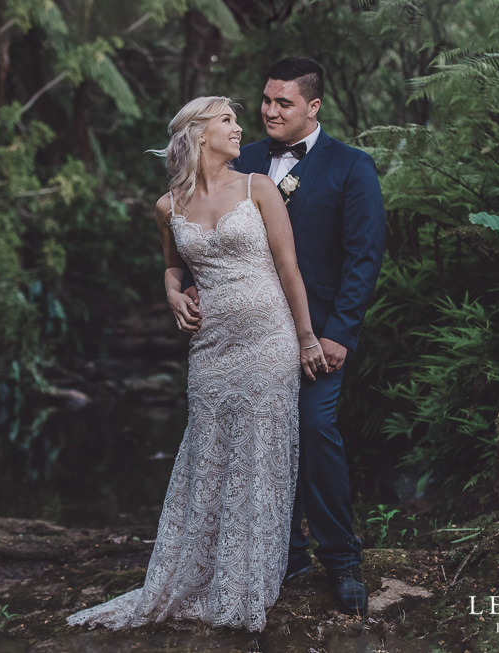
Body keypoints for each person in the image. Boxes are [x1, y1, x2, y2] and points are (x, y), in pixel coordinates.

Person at [67, 96, 326, 632]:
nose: (239, 128)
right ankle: (197, 574)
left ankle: (247, 581)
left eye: (235, 119)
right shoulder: (168, 206)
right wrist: (172, 296)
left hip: (268, 342)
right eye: (227, 120)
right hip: (210, 351)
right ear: (199, 134)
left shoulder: (260, 189)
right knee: (207, 456)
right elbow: (171, 268)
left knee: (260, 457)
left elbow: (290, 268)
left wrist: (306, 340)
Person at [182, 57, 386, 616]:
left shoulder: (351, 167)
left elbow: (364, 256)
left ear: (313, 107)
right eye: (266, 101)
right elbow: (197, 232)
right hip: (241, 336)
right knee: (260, 435)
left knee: (315, 429)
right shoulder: (240, 160)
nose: (269, 111)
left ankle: (342, 561)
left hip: (317, 333)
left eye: (283, 103)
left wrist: (340, 331)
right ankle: (285, 552)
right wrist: (183, 288)